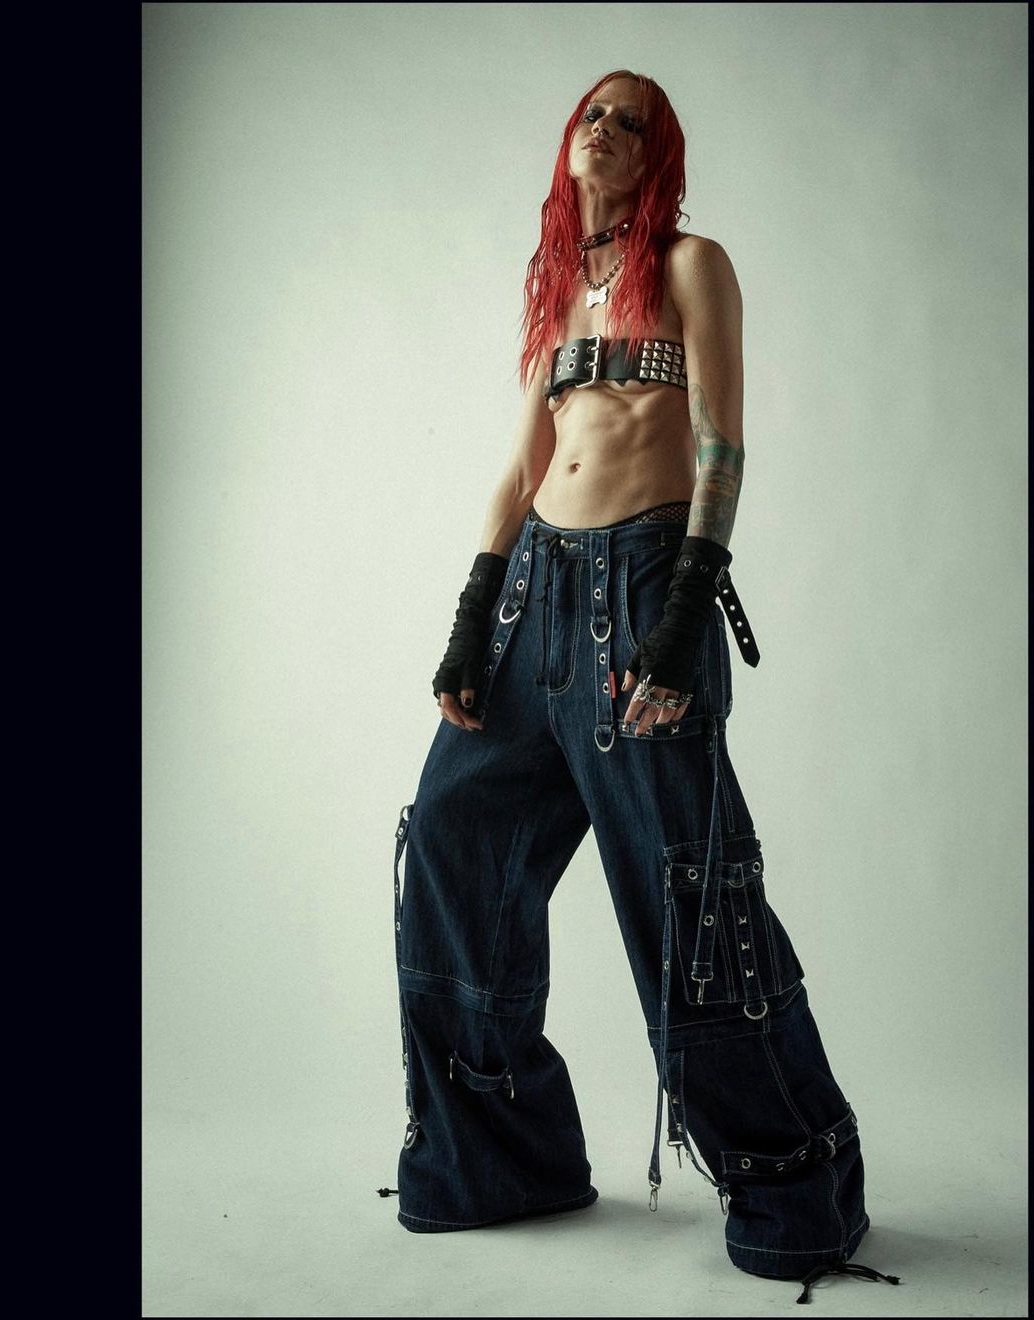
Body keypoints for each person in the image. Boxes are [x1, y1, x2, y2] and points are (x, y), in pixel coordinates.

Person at [384, 70, 899, 1305]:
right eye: (593, 114)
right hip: (534, 598)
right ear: (569, 141)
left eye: (634, 120)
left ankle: (795, 1188)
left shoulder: (691, 265)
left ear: (659, 154)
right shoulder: (558, 285)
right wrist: (471, 619)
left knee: (689, 897)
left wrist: (682, 617)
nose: (606, 130)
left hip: (643, 592)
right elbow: (524, 462)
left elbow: (720, 440)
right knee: (452, 840)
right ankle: (498, 1160)